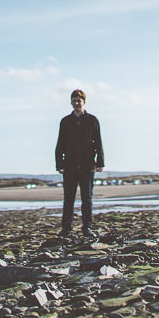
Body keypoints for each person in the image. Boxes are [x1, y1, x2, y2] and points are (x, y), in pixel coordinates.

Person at [54, 88, 104, 237]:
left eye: (79, 101)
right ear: (71, 102)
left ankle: (87, 227)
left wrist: (100, 162)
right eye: (74, 101)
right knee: (68, 199)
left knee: (86, 199)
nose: (77, 103)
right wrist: (59, 164)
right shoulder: (65, 121)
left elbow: (98, 142)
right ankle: (66, 228)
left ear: (84, 102)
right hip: (69, 165)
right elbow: (60, 143)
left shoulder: (92, 120)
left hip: (87, 165)